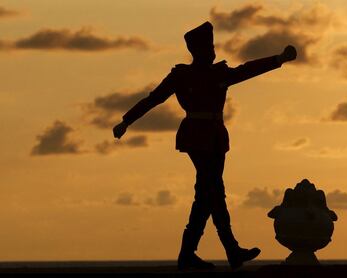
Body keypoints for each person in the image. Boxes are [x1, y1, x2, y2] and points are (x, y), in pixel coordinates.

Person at [113, 21, 297, 270]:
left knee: (206, 195)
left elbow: (247, 70)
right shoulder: (181, 75)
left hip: (215, 138)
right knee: (214, 192)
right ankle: (229, 249)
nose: (213, 51)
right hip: (196, 137)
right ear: (198, 50)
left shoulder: (219, 73)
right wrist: (126, 121)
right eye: (208, 46)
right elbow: (153, 99)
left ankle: (190, 254)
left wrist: (278, 59)